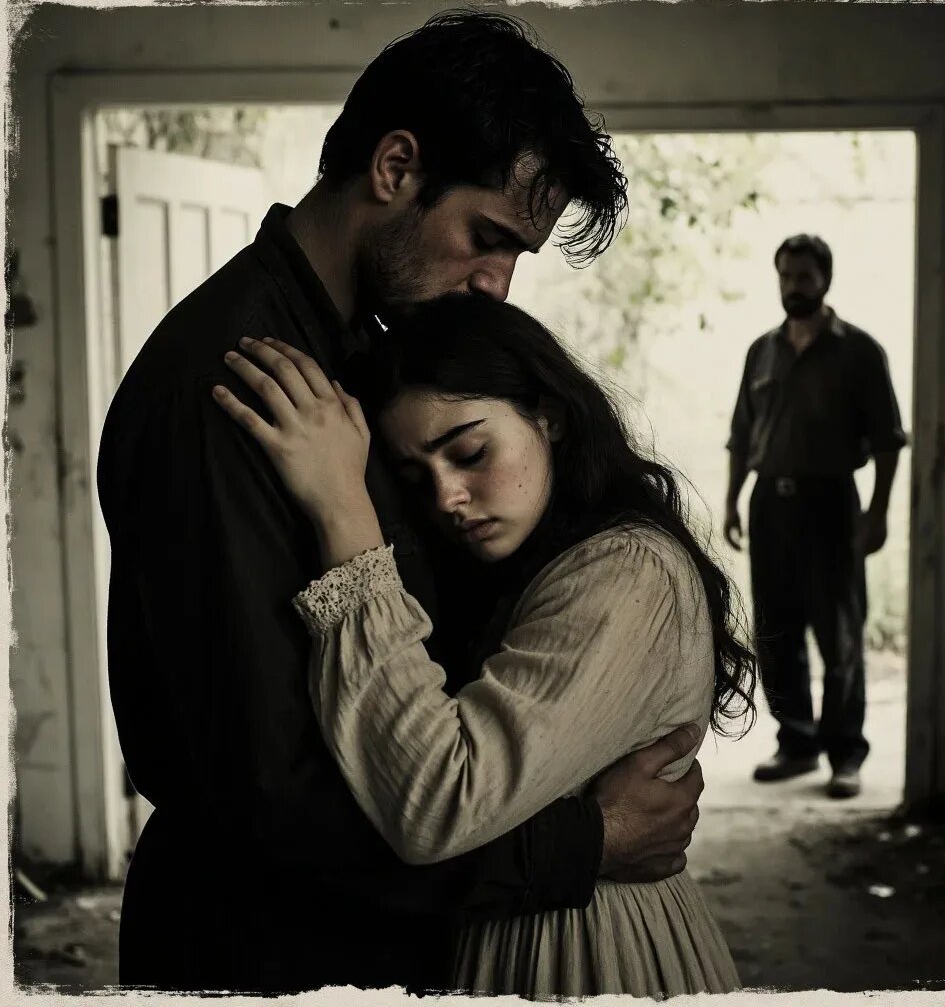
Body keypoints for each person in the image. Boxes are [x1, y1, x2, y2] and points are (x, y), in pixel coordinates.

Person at [97, 11, 706, 994]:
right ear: (394, 167)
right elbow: (274, 789)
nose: (496, 285)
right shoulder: (239, 385)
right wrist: (578, 843)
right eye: (486, 239)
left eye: (517, 257)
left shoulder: (371, 359)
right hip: (272, 952)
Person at [211, 294, 755, 997]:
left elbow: (440, 801)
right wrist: (599, 834)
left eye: (469, 453)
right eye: (416, 478)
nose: (447, 497)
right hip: (502, 941)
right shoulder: (519, 567)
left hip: (593, 955)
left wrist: (342, 510)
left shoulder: (628, 571)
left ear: (549, 416)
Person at [724, 234, 907, 799]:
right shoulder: (762, 351)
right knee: (777, 631)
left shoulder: (860, 351)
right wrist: (731, 500)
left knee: (839, 632)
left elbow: (888, 440)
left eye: (804, 276)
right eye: (786, 276)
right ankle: (797, 743)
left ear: (825, 279)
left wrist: (877, 512)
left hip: (831, 503)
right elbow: (741, 434)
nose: (793, 287)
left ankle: (845, 753)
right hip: (769, 505)